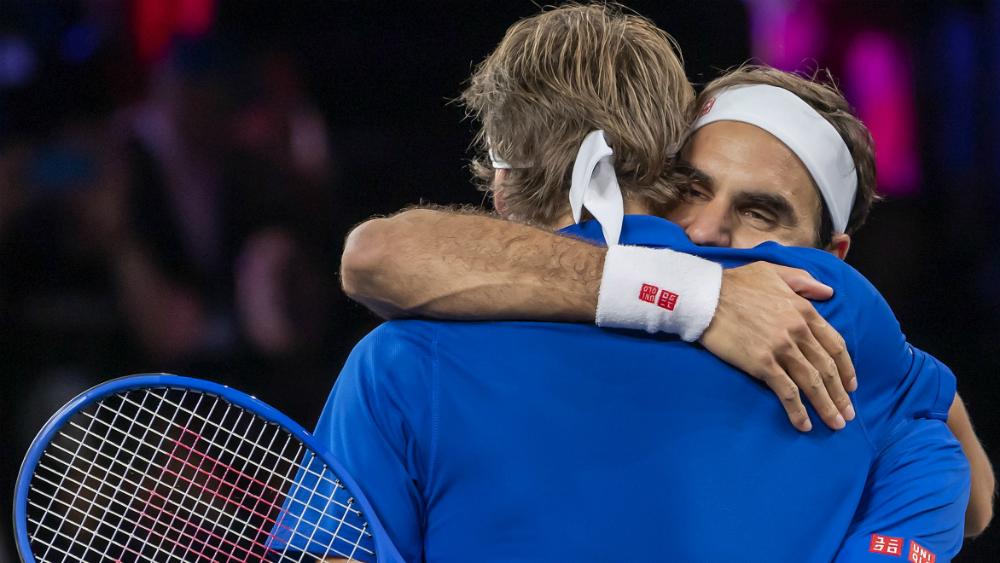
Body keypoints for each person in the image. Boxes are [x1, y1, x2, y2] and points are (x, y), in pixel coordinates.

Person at [272, 4, 973, 562]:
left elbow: (372, 255)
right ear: (659, 170)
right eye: (696, 192)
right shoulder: (844, 313)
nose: (706, 234)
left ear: (501, 188)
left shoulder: (395, 363)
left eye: (760, 212)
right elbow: (968, 482)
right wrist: (695, 298)